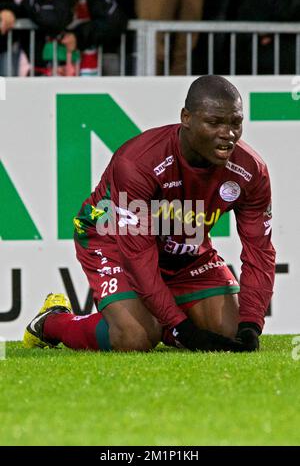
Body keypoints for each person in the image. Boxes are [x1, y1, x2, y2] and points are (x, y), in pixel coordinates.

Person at [23, 75, 276, 353]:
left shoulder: (251, 170)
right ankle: (53, 321)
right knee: (135, 338)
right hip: (112, 239)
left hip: (181, 244)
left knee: (231, 331)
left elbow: (259, 251)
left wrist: (252, 324)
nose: (228, 134)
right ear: (186, 117)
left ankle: (161, 320)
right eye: (214, 122)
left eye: (235, 123)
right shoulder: (138, 162)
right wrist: (182, 327)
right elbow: (138, 257)